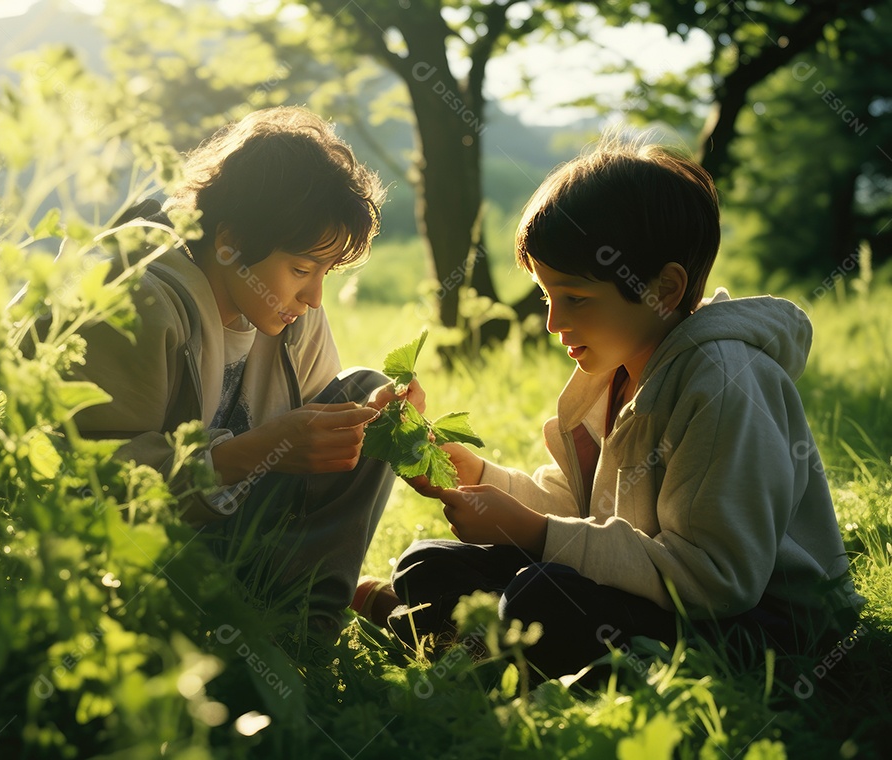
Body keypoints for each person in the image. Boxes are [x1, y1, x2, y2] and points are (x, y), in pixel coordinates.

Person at [353, 136, 863, 678]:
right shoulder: (611, 375)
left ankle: (458, 646)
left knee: (540, 599)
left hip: (762, 626)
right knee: (426, 562)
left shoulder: (722, 385)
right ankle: (471, 645)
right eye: (547, 296)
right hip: (650, 593)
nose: (552, 323)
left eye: (575, 298)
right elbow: (576, 511)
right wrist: (480, 476)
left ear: (663, 289)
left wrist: (530, 533)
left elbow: (715, 580)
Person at [61, 107, 422, 630]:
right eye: (301, 269)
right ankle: (240, 620)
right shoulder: (139, 298)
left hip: (239, 537)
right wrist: (247, 454)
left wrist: (376, 422)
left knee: (365, 398)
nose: (316, 296)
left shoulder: (291, 313)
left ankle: (305, 625)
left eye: (326, 271)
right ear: (229, 243)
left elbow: (323, 432)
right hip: (138, 556)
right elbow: (90, 479)